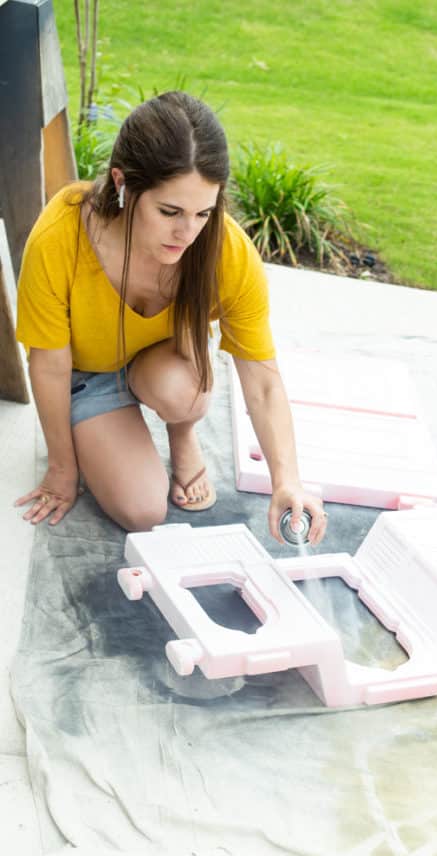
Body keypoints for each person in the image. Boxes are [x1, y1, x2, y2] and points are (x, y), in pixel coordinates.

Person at [13, 91, 327, 545]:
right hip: (85, 375)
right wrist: (62, 470)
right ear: (121, 183)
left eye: (204, 212)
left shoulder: (227, 251)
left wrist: (287, 480)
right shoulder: (62, 232)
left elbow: (261, 380)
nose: (188, 232)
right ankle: (107, 429)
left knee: (181, 393)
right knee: (142, 511)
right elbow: (48, 364)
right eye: (169, 211)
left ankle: (183, 437)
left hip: (165, 364)